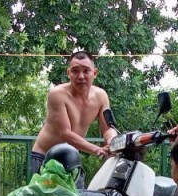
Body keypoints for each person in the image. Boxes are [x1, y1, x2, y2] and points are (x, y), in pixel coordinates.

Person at [30, 51, 120, 187]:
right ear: (68, 73)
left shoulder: (101, 96)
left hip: (71, 159)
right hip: (46, 158)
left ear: (94, 73)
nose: (81, 76)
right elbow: (65, 133)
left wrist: (112, 141)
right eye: (75, 71)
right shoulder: (57, 94)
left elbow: (107, 129)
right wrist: (96, 149)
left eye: (86, 71)